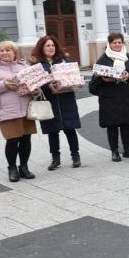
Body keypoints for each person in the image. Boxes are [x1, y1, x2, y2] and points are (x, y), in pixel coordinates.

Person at [0, 41, 38, 182]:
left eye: (8, 50)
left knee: (26, 139)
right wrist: (3, 84)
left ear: (15, 52)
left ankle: (24, 167)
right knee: (12, 140)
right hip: (7, 110)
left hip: (26, 110)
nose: (4, 53)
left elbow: (34, 85)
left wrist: (35, 89)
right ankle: (12, 168)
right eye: (1, 51)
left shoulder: (25, 67)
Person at [30, 35, 82, 170]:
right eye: (47, 45)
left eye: (52, 45)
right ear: (41, 48)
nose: (51, 48)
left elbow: (73, 79)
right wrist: (48, 86)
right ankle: (55, 159)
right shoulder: (37, 66)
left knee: (70, 129)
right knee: (53, 132)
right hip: (49, 101)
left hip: (66, 100)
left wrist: (76, 80)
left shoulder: (64, 62)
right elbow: (34, 85)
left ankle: (75, 156)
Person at [90, 32, 129, 162]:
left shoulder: (128, 58)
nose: (117, 45)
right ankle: (114, 151)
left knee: (126, 125)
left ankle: (127, 150)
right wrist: (104, 79)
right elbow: (94, 81)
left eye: (119, 42)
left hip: (126, 97)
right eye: (114, 42)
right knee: (111, 125)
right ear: (109, 44)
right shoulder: (103, 59)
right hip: (109, 98)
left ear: (122, 43)